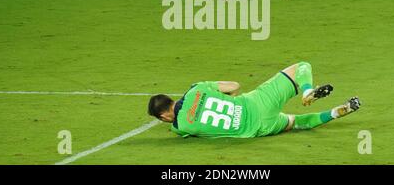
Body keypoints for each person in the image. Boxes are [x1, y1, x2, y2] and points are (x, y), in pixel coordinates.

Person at [147, 62, 361, 138]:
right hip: (256, 102)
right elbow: (234, 86)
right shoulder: (196, 89)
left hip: (258, 128)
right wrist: (223, 96)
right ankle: (306, 91)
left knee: (295, 122)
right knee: (301, 67)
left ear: (164, 116)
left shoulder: (180, 127)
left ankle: (334, 113)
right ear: (170, 100)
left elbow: (190, 121)